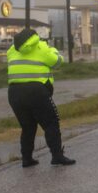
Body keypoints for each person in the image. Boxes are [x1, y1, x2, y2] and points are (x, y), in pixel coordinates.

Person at [7, 28, 75, 167]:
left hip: (14, 92)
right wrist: (54, 51)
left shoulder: (12, 50)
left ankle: (26, 159)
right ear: (35, 37)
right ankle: (57, 156)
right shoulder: (41, 47)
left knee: (27, 126)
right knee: (51, 123)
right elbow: (57, 62)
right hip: (36, 91)